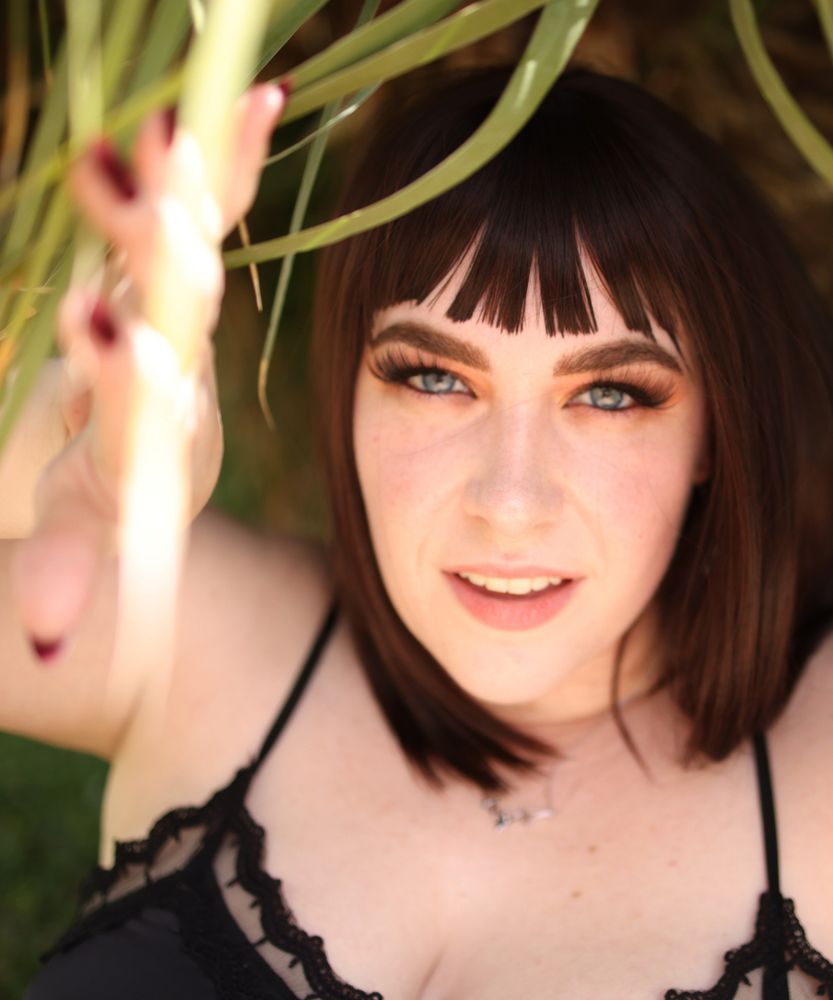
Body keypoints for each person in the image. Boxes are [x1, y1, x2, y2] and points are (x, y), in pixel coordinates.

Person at [4, 61, 833, 1000]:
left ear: (713, 432)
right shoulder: (206, 636)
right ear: (348, 390)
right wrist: (51, 440)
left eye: (609, 394)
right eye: (435, 377)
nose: (509, 501)